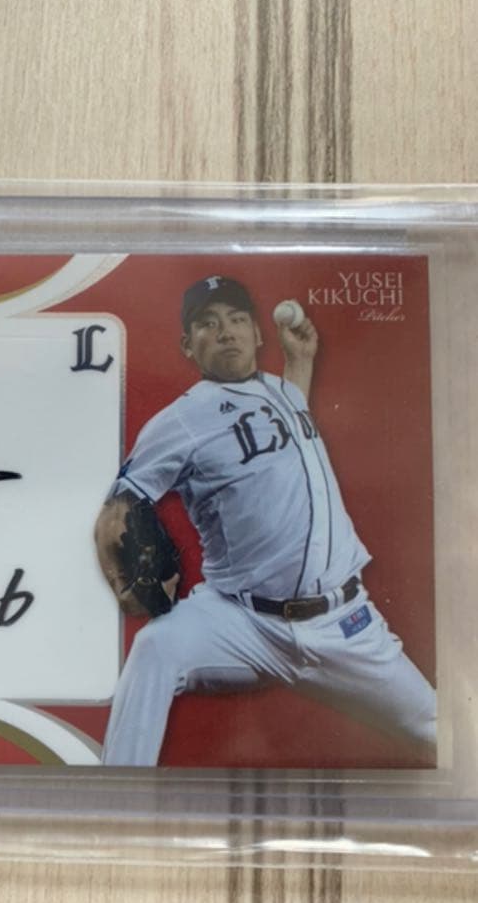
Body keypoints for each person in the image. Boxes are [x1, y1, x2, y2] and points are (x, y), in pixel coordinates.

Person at [95, 275, 436, 766]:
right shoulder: (182, 420)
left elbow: (279, 425)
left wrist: (301, 360)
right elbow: (117, 509)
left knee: (442, 731)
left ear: (258, 334)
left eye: (237, 319)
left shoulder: (282, 390)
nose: (226, 332)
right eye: (208, 323)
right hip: (242, 622)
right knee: (155, 648)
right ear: (188, 345)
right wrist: (123, 582)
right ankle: (119, 796)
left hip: (344, 624)